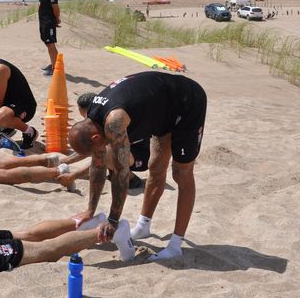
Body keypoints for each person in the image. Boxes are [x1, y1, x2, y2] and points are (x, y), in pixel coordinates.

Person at [68, 71, 207, 261]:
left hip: (186, 102)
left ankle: (175, 245)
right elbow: (98, 166)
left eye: (95, 148)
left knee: (181, 173)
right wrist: (90, 211)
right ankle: (143, 226)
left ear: (95, 137)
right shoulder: (93, 119)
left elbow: (121, 172)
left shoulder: (114, 123)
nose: (97, 153)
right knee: (156, 167)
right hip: (163, 108)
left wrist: (113, 220)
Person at [34, 0, 60, 76]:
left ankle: (55, 68)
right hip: (43, 22)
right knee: (47, 43)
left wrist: (57, 19)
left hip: (49, 22)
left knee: (51, 44)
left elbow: (56, 7)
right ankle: (53, 63)